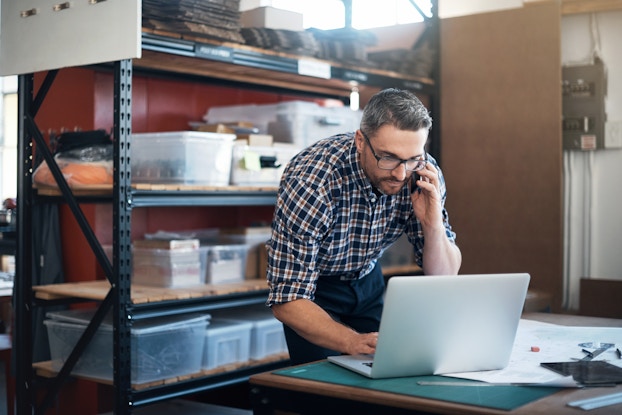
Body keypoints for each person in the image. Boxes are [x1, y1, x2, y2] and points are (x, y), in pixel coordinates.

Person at [266, 88, 462, 365]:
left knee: (387, 376)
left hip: (368, 279)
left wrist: (433, 226)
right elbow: (287, 299)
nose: (400, 173)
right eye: (388, 157)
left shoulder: (422, 172)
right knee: (325, 392)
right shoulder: (313, 181)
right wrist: (351, 341)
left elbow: (444, 275)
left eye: (412, 159)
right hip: (314, 292)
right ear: (360, 140)